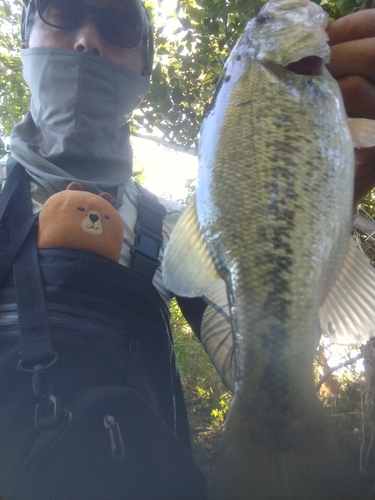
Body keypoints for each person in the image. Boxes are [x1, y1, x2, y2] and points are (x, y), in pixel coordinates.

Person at [0, 1, 374, 499]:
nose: (88, 39)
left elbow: (256, 356)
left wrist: (314, 210)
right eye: (62, 14)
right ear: (25, 42)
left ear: (143, 68)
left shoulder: (177, 225)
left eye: (118, 26)